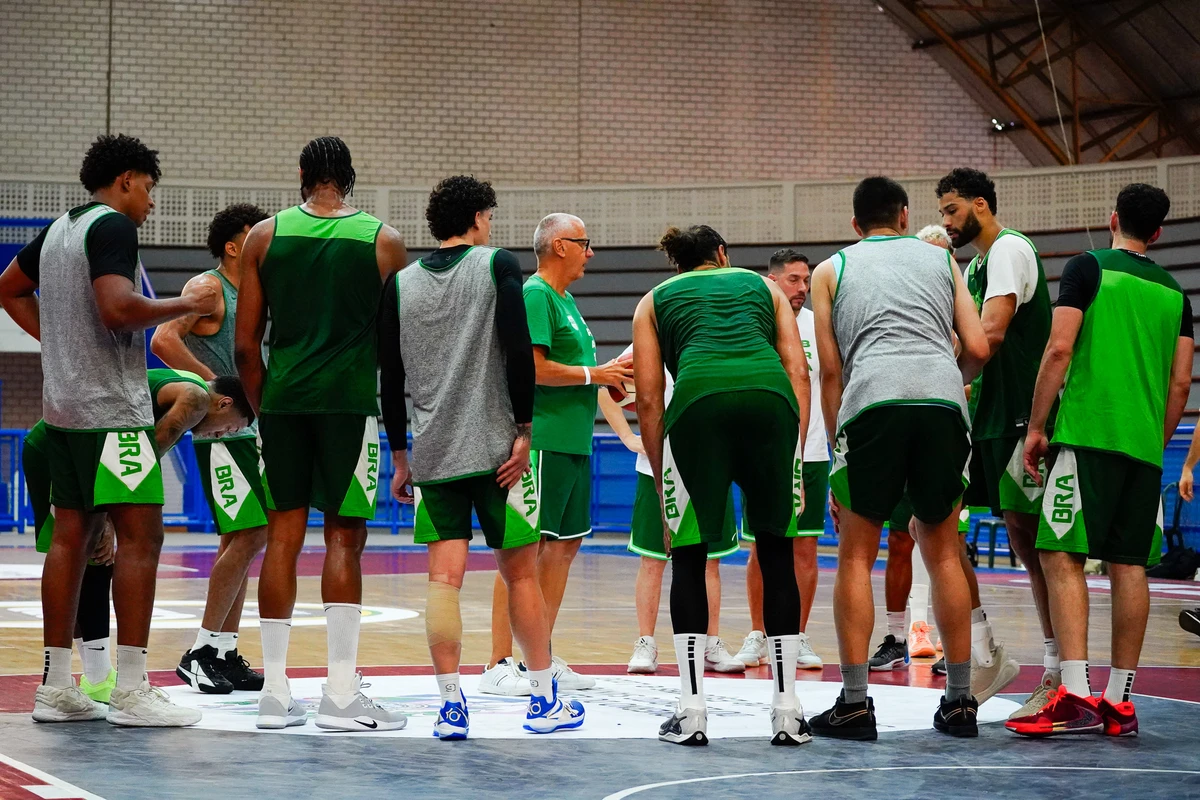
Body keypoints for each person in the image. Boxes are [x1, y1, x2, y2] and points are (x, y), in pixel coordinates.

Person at [0, 134, 221, 726]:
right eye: (148, 189)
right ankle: (129, 689)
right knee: (142, 539)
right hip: (111, 414)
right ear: (125, 179)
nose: (149, 203)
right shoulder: (114, 228)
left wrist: (59, 344)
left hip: (63, 411)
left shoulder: (57, 230)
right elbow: (119, 310)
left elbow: (7, 288)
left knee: (70, 541)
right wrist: (185, 303)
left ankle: (54, 686)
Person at [380, 177, 585, 738]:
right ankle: (543, 700)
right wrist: (525, 429)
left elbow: (390, 376)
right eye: (488, 216)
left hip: (434, 454)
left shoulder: (399, 285)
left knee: (442, 582)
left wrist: (400, 454)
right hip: (499, 452)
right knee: (520, 575)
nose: (491, 225)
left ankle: (451, 707)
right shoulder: (497, 265)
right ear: (475, 217)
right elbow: (519, 350)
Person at [234, 136, 408, 731]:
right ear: (349, 178)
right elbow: (399, 343)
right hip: (348, 406)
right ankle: (339, 694)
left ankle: (276, 694)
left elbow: (243, 344)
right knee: (343, 540)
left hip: (282, 404)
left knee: (281, 539)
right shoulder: (383, 242)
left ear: (304, 173)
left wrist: (264, 409)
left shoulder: (263, 236)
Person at [809, 177, 989, 740]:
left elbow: (832, 371)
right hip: (941, 404)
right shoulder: (942, 261)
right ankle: (960, 701)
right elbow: (979, 348)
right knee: (942, 551)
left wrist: (840, 443)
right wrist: (943, 385)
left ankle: (856, 704)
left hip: (871, 402)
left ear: (856, 225)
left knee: (858, 555)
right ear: (906, 217)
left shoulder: (831, 269)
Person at [1012, 184, 1192, 738]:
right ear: (1158, 233)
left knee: (1059, 554)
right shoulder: (1175, 293)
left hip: (1087, 434)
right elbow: (1180, 381)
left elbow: (1060, 349)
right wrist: (1153, 441)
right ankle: (1119, 700)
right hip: (1142, 446)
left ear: (1113, 218)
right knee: (1128, 564)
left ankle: (1068, 690)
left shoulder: (1088, 267)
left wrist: (1038, 426)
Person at [634, 224, 811, 746]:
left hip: (698, 408)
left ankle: (691, 713)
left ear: (679, 266)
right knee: (777, 553)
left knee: (688, 555)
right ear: (722, 254)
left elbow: (647, 399)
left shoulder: (653, 300)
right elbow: (797, 370)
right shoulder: (765, 286)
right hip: (770, 402)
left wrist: (662, 468)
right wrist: (792, 457)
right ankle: (787, 711)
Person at [23, 368, 253, 707]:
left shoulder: (182, 388)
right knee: (81, 553)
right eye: (231, 425)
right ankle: (83, 678)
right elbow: (143, 462)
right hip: (62, 447)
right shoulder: (194, 397)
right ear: (224, 403)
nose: (223, 434)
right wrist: (112, 516)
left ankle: (96, 676)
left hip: (80, 440)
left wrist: (112, 519)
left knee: (95, 556)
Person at [479, 213, 632, 695]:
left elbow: (584, 371)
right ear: (559, 246)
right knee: (521, 555)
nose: (591, 252)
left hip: (573, 441)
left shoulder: (567, 301)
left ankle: (537, 653)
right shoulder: (536, 295)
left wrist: (608, 375)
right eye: (584, 243)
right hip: (540, 443)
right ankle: (497, 663)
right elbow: (535, 368)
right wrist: (596, 375)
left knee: (564, 548)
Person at [937, 168, 1050, 714]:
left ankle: (1057, 672)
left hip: (1017, 417)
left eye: (952, 209)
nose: (946, 221)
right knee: (936, 526)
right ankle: (985, 652)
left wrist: (942, 369)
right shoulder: (977, 265)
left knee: (1032, 545)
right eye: (941, 212)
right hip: (982, 417)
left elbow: (994, 333)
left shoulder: (1008, 250)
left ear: (980, 205)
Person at [152, 203, 271, 694]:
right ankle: (201, 650)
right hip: (221, 429)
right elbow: (162, 338)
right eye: (253, 234)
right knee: (250, 536)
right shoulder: (207, 287)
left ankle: (223, 650)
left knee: (241, 543)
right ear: (231, 245)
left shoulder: (255, 293)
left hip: (246, 427)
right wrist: (212, 385)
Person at [598, 354, 742, 675]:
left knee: (710, 561)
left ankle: (710, 643)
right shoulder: (647, 339)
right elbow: (605, 390)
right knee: (653, 560)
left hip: (709, 467)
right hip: (657, 468)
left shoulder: (713, 337)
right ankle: (645, 642)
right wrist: (627, 437)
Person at [736, 249, 827, 671]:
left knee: (805, 547)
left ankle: (797, 635)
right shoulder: (755, 323)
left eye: (806, 280)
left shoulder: (820, 325)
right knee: (760, 545)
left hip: (811, 452)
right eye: (793, 280)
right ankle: (758, 633)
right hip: (765, 451)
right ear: (770, 281)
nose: (802, 289)